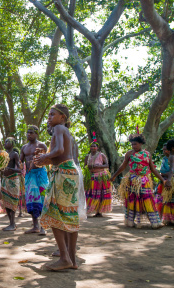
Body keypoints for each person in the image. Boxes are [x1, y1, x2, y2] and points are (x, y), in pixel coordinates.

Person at [35, 105, 79, 271]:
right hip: (68, 171)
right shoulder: (64, 131)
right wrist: (45, 158)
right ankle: (72, 260)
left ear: (63, 117)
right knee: (69, 214)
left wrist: (45, 156)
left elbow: (59, 150)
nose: (49, 117)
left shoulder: (59, 128)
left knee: (54, 213)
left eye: (52, 114)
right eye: (48, 115)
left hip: (63, 174)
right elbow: (61, 156)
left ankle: (63, 257)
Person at [111, 132, 166, 229]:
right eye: (132, 144)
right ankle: (130, 221)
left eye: (135, 144)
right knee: (132, 201)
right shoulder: (129, 153)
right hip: (132, 180)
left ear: (141, 143)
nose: (133, 146)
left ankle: (155, 223)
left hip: (144, 181)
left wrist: (162, 180)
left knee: (148, 200)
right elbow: (123, 166)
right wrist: (114, 176)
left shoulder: (147, 154)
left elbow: (153, 169)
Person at [20, 125, 48, 234]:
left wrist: (37, 161)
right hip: (30, 175)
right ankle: (35, 226)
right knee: (31, 198)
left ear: (36, 134)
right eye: (28, 132)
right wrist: (19, 166)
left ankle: (43, 226)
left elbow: (47, 159)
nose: (29, 134)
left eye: (31, 133)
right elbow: (20, 161)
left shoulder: (41, 145)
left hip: (41, 174)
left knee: (43, 198)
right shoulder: (24, 147)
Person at [84, 142, 112, 217]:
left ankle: (99, 211)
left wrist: (99, 166)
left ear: (97, 148)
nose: (93, 148)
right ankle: (91, 209)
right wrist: (89, 166)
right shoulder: (88, 156)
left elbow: (107, 165)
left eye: (94, 146)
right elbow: (85, 166)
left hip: (100, 176)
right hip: (91, 177)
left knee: (100, 194)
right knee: (91, 194)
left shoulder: (101, 155)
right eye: (91, 146)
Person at [1, 137, 22, 231]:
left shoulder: (14, 154)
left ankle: (12, 224)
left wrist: (11, 169)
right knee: (6, 202)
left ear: (12, 143)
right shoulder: (3, 154)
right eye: (5, 141)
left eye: (7, 141)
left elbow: (20, 169)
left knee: (12, 202)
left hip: (13, 180)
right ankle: (11, 224)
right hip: (5, 180)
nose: (5, 143)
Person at [155, 144, 170, 214]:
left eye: (165, 149)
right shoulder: (164, 159)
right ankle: (160, 215)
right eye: (163, 150)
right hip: (165, 179)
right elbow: (162, 172)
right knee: (161, 197)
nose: (164, 151)